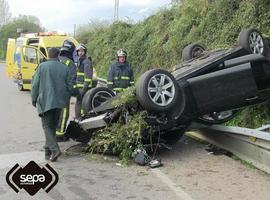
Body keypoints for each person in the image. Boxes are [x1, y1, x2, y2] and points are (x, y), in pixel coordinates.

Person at [31, 48, 73, 162]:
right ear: (58, 55)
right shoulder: (65, 68)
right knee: (52, 127)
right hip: (60, 103)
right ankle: (47, 149)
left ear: (48, 55)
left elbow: (35, 85)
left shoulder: (42, 67)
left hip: (46, 102)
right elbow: (70, 87)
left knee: (46, 127)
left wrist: (34, 99)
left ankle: (54, 149)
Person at [56, 40, 77, 141]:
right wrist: (75, 92)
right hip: (64, 93)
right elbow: (72, 81)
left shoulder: (55, 59)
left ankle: (53, 134)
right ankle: (60, 135)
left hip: (53, 91)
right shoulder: (70, 63)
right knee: (64, 113)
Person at [75, 43, 93, 120]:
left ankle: (80, 117)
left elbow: (88, 77)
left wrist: (84, 88)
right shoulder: (79, 61)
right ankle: (80, 117)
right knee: (80, 102)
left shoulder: (86, 62)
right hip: (80, 85)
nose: (80, 52)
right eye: (79, 51)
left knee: (81, 102)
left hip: (85, 87)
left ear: (85, 52)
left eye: (82, 51)